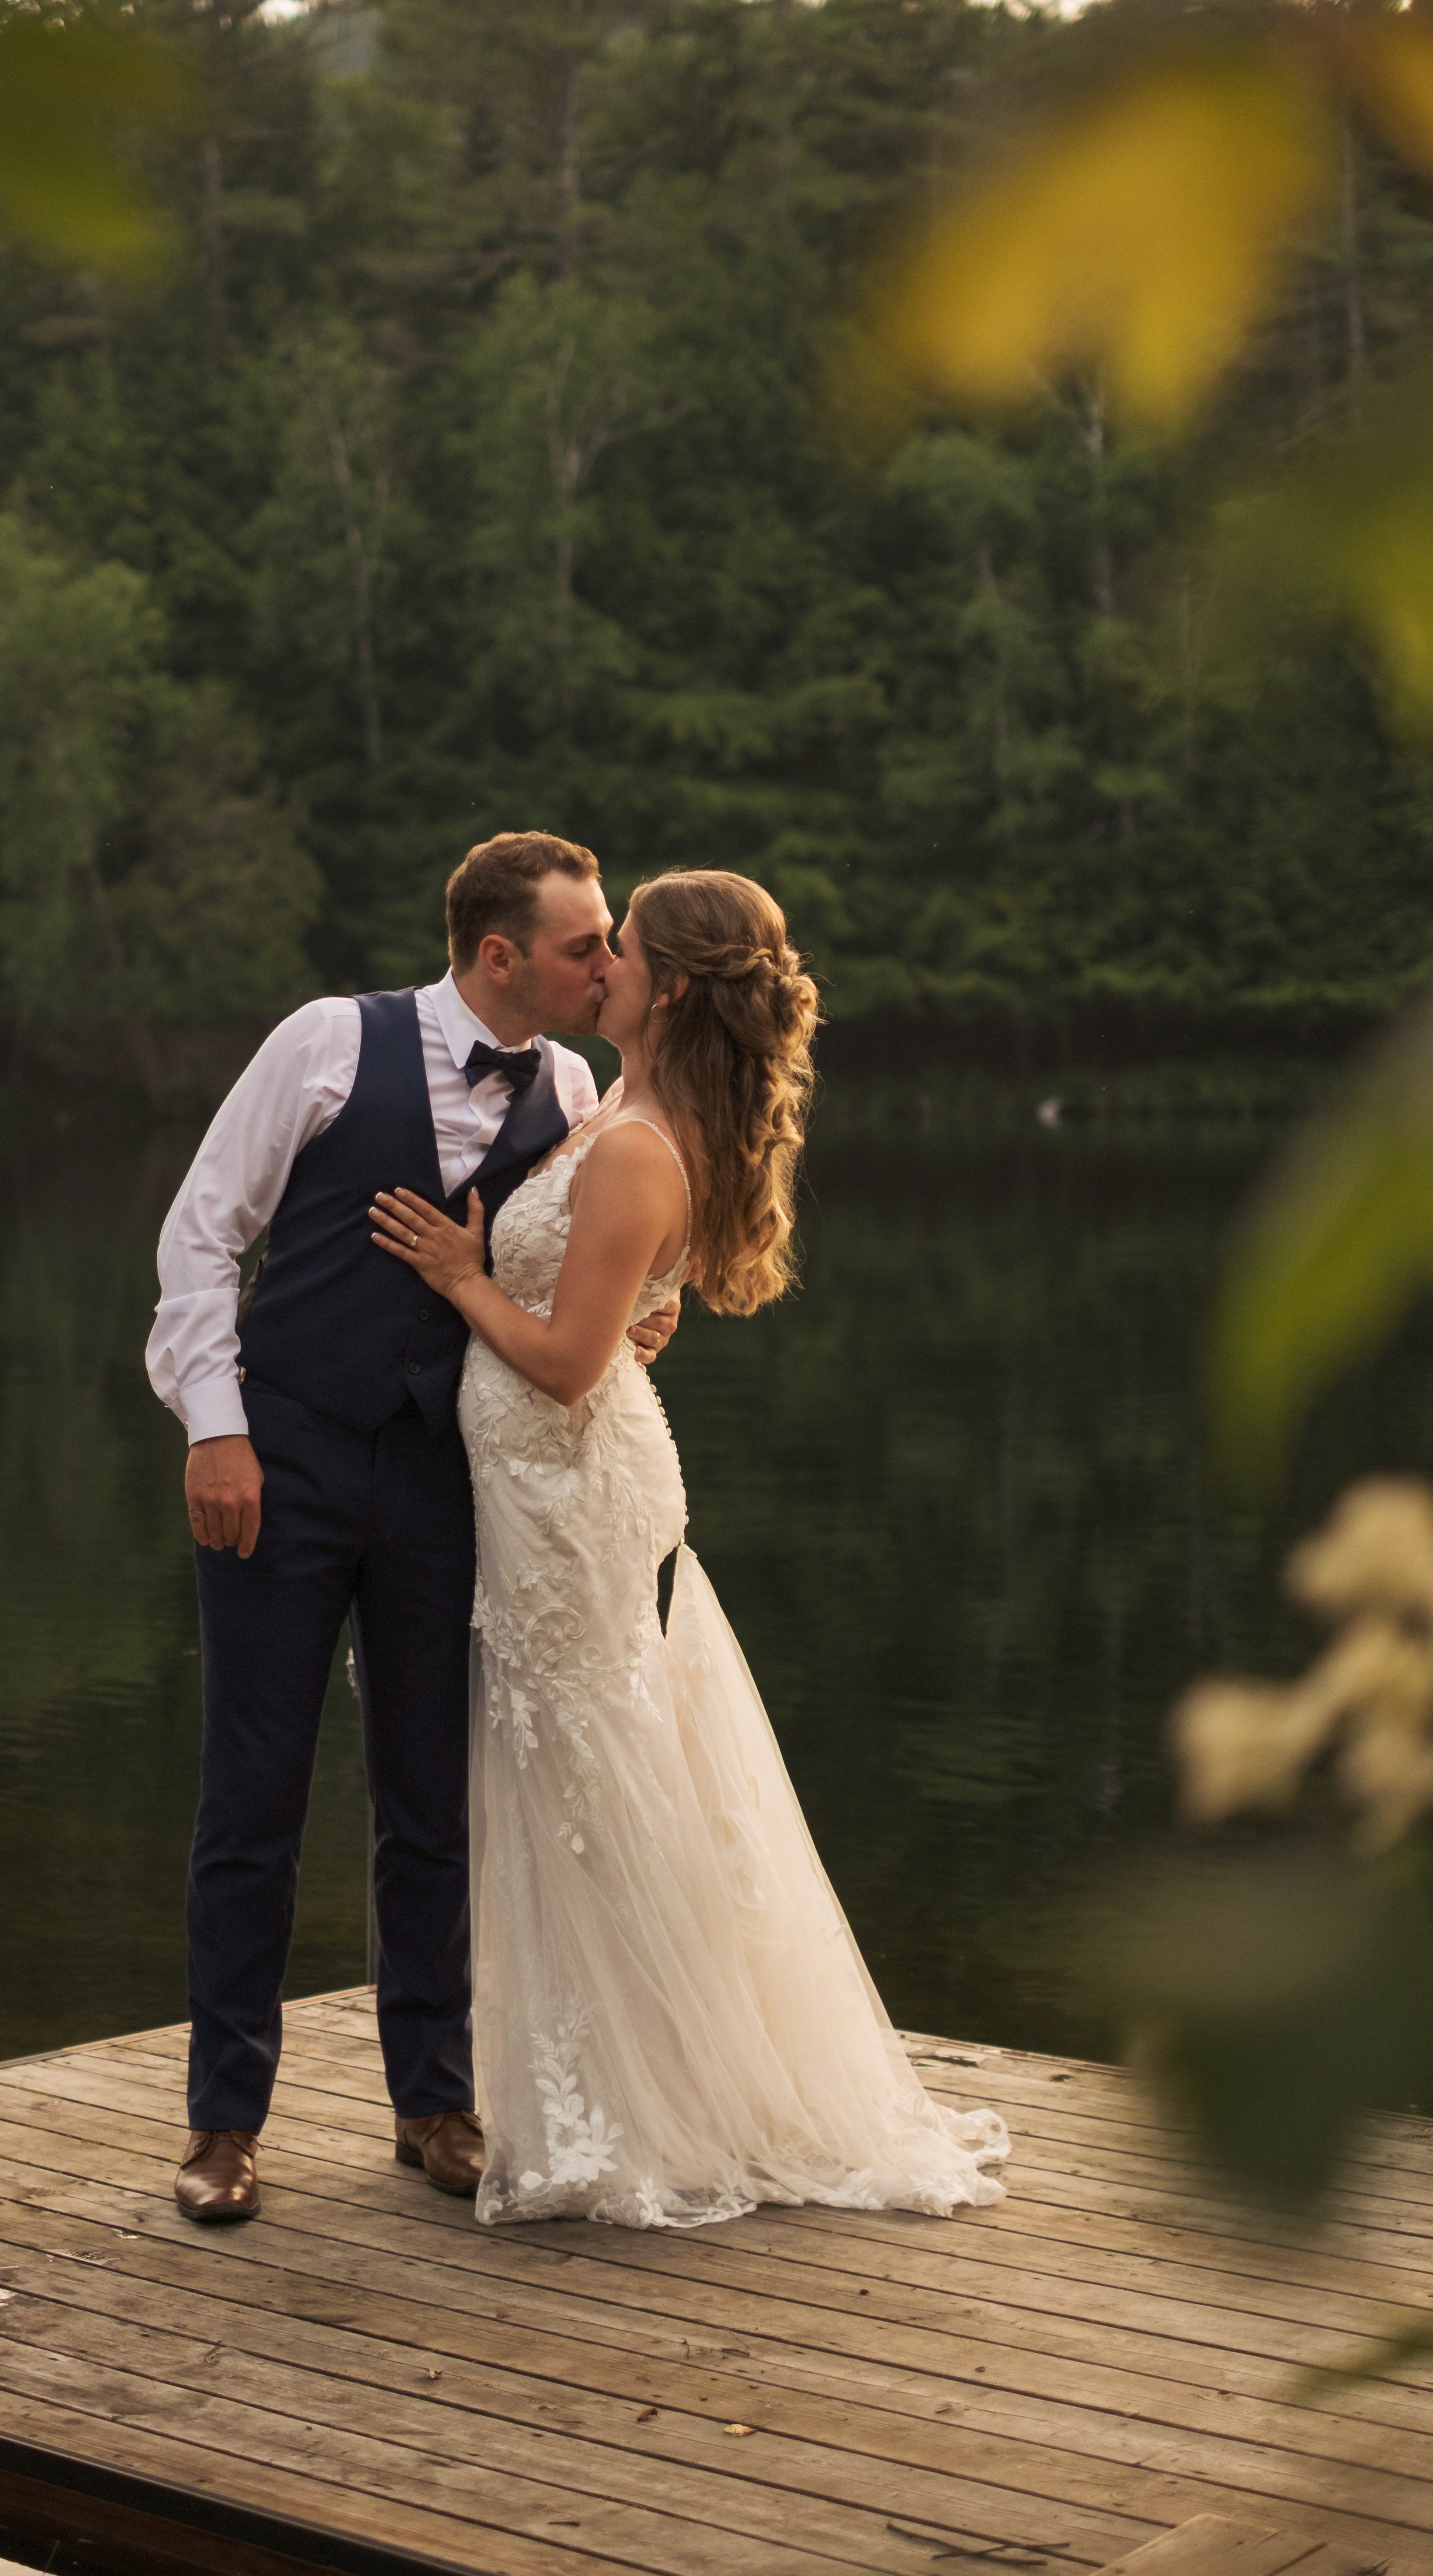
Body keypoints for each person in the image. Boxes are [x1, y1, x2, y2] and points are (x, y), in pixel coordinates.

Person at [370, 868, 1010, 2227]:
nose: (595, 963)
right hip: (549, 1487)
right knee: (576, 1771)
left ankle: (651, 2096)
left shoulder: (640, 1143)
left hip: (566, 1487)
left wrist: (460, 1275)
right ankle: (601, 2075)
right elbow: (624, 1306)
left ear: (666, 985)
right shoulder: (620, 1114)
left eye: (620, 949)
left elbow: (563, 1359)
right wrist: (601, 1299)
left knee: (587, 1775)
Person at [145, 832, 678, 2224]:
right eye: (584, 943)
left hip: (453, 1481)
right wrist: (216, 1423)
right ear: (500, 953)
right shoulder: (326, 1042)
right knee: (252, 1796)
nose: (607, 961)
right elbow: (203, 1232)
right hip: (288, 1457)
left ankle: (435, 2100)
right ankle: (224, 2122)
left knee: (433, 1797)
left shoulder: (570, 1084)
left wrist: (634, 1326)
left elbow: (589, 1273)